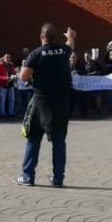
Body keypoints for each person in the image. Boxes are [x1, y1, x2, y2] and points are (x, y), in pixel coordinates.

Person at [16, 23, 75, 188]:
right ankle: (58, 179)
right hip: (61, 103)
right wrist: (70, 36)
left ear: (41, 36)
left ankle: (27, 176)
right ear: (55, 37)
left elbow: (24, 77)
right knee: (59, 141)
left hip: (41, 102)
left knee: (33, 139)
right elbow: (70, 45)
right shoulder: (63, 51)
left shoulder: (35, 54)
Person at [0, 54, 17, 118]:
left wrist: (13, 76)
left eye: (9, 57)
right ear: (3, 58)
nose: (8, 59)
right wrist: (5, 78)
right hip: (3, 85)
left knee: (12, 100)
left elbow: (13, 72)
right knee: (2, 100)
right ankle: (2, 113)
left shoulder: (11, 65)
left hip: (10, 85)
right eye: (6, 58)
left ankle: (11, 113)